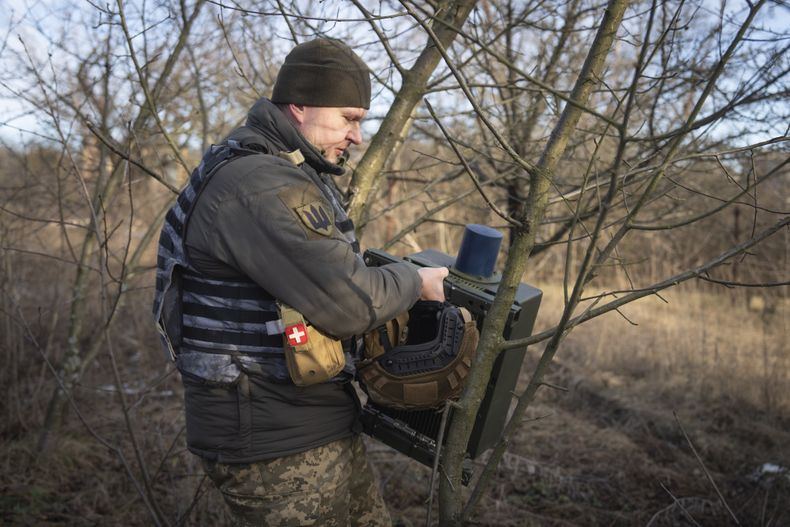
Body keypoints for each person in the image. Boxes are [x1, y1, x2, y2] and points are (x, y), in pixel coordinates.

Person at [152, 38, 448, 526]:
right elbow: (349, 300)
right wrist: (414, 282)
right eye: (349, 118)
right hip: (275, 443)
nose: (356, 135)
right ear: (300, 106)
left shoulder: (279, 173)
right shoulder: (258, 184)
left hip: (309, 422)